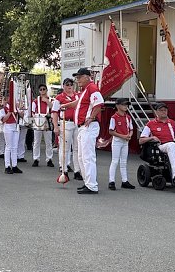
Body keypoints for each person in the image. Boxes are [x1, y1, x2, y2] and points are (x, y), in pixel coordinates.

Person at [73, 67, 104, 195]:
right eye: (77, 77)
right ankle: (88, 183)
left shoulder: (92, 88)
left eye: (79, 77)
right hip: (83, 127)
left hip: (88, 126)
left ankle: (92, 185)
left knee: (87, 157)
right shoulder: (86, 89)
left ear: (87, 77)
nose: (77, 79)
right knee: (81, 157)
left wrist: (91, 117)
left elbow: (99, 103)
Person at [53, 78, 81, 180]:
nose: (69, 86)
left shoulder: (78, 96)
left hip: (77, 123)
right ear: (63, 86)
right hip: (66, 123)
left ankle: (77, 171)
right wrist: (55, 126)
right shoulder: (59, 98)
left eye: (71, 84)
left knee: (77, 148)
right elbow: (55, 112)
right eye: (67, 84)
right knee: (65, 148)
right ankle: (64, 170)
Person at [108, 98, 135, 190]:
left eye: (126, 105)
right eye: (123, 105)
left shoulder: (128, 117)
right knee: (115, 161)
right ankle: (111, 181)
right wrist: (122, 136)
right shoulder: (114, 117)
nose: (126, 106)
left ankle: (125, 181)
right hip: (117, 141)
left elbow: (131, 129)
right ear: (117, 106)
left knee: (123, 162)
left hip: (125, 141)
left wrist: (129, 135)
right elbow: (111, 131)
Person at [30, 84, 55, 167]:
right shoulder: (35, 101)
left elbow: (54, 109)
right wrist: (36, 119)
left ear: (46, 90)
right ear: (39, 91)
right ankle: (36, 159)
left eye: (44, 89)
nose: (42, 91)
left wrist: (47, 101)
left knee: (48, 142)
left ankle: (49, 159)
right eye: (41, 89)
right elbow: (33, 112)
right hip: (38, 121)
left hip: (48, 120)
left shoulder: (52, 100)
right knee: (37, 141)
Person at [0, 94, 24, 174]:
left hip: (15, 126)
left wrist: (20, 109)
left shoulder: (15, 106)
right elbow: (3, 119)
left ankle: (14, 165)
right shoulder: (3, 107)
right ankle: (7, 166)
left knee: (15, 147)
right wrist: (10, 111)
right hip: (8, 126)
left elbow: (22, 115)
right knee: (8, 146)